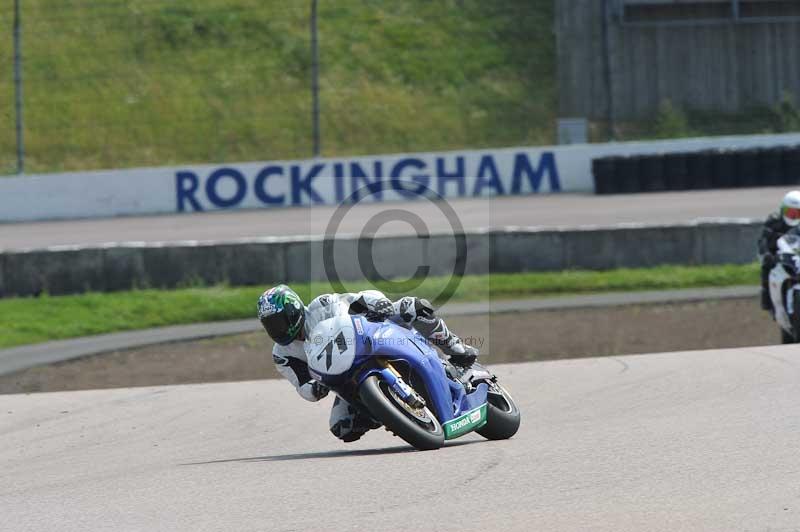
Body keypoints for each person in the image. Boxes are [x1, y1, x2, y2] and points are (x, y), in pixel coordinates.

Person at [257, 285, 479, 442]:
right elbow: (301, 385)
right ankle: (387, 412)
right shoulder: (282, 354)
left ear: (293, 311)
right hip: (345, 377)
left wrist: (379, 304)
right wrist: (314, 387)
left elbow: (359, 298)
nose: (277, 330)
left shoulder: (322, 306)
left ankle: (457, 349)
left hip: (373, 338)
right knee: (342, 428)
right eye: (270, 326)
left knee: (412, 307)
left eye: (279, 322)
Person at [759, 190, 800, 311]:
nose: (793, 216)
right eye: (790, 212)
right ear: (783, 210)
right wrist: (767, 254)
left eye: (798, 213)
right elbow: (763, 241)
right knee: (766, 266)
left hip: (797, 258)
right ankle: (767, 298)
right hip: (778, 256)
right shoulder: (773, 222)